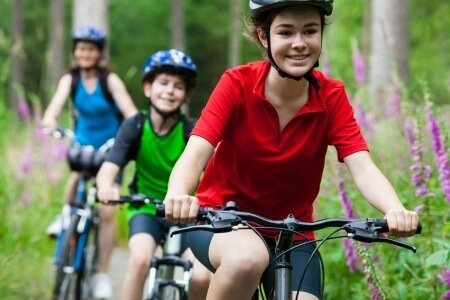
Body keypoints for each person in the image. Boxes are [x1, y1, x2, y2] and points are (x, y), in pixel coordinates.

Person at [163, 1, 421, 300]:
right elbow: (196, 154)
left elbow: (362, 167)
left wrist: (394, 209)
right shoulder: (237, 84)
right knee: (247, 259)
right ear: (264, 37)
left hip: (292, 234)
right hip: (220, 221)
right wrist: (178, 193)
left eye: (310, 31)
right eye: (285, 32)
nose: (299, 43)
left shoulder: (332, 96)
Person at [96, 49, 211, 300]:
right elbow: (110, 167)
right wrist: (107, 187)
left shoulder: (192, 131)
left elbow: (215, 172)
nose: (170, 91)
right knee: (139, 260)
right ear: (148, 88)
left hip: (187, 214)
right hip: (145, 208)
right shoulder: (135, 126)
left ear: (186, 95)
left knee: (201, 275)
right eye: (163, 83)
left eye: (178, 86)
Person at [41, 26, 137, 299]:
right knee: (74, 181)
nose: (85, 53)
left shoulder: (111, 80)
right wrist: (49, 121)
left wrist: (127, 137)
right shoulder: (69, 80)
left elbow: (130, 114)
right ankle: (66, 217)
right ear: (75, 52)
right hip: (82, 145)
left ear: (99, 53)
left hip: (110, 150)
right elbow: (55, 105)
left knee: (107, 209)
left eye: (91, 49)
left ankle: (102, 274)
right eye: (81, 48)